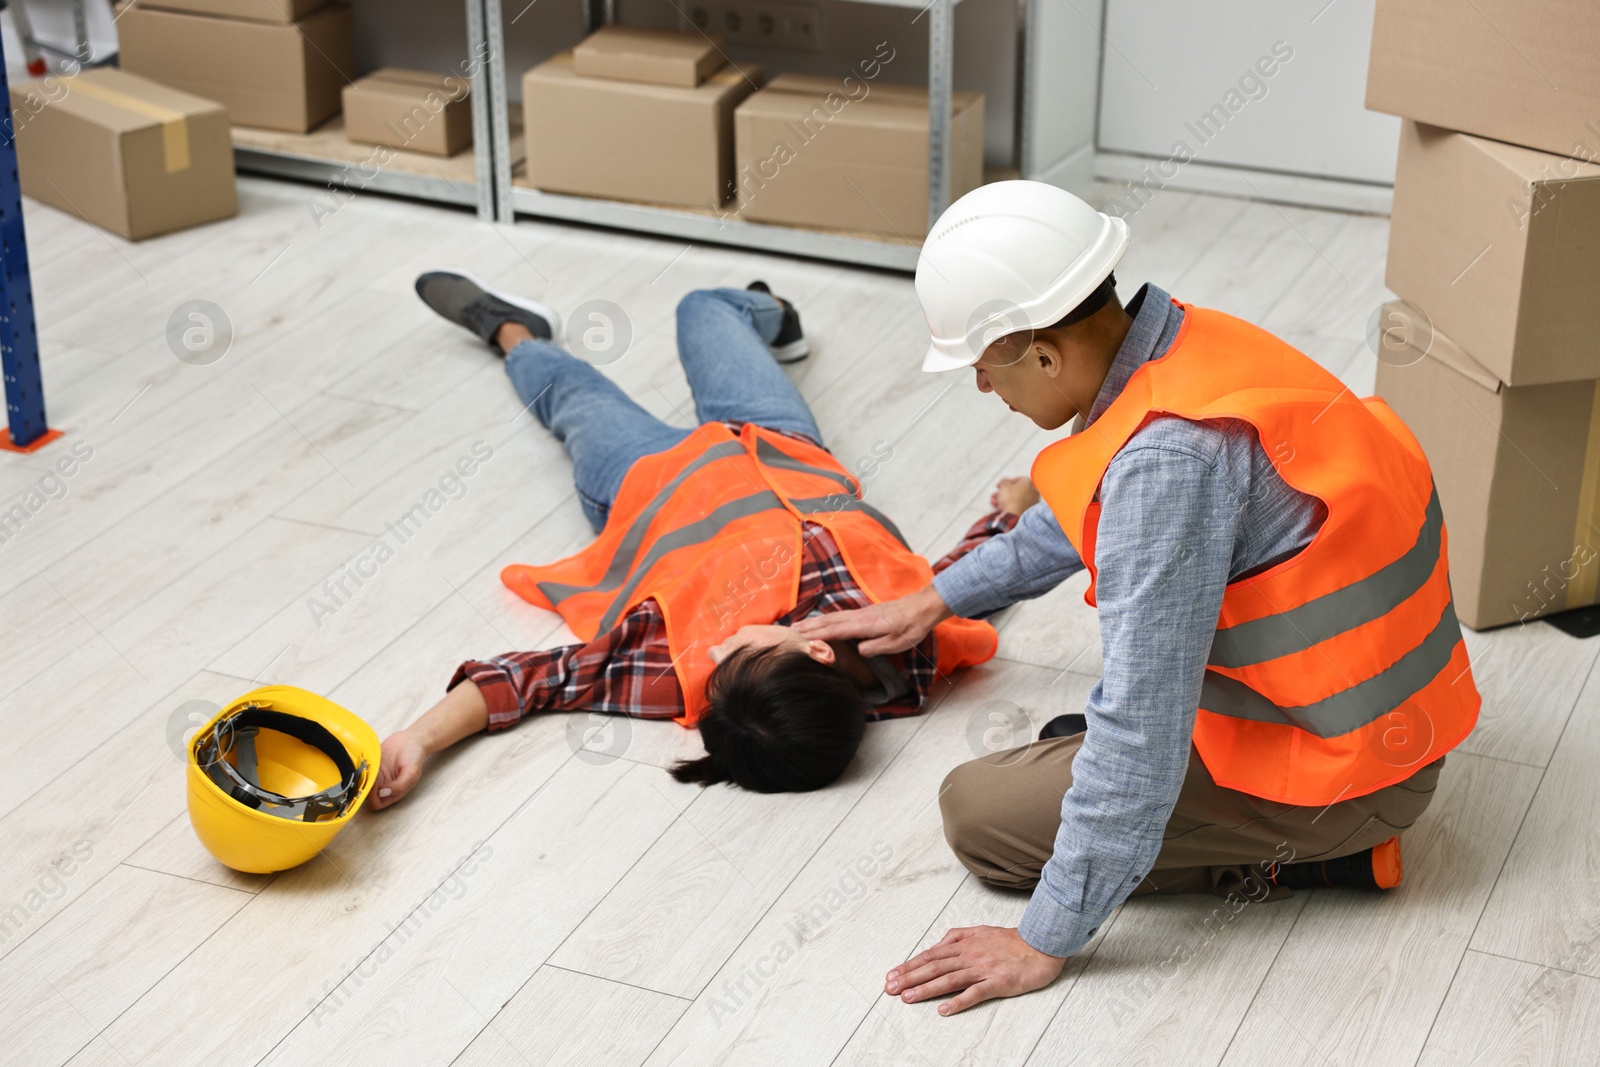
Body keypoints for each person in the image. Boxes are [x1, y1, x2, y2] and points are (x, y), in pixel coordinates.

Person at [795, 180, 1482, 1015]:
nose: (982, 387)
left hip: (1346, 777)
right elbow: (1091, 507)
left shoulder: (1169, 466)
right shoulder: (1180, 344)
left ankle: (1325, 855)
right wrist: (937, 599)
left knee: (978, 813)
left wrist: (1043, 938)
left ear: (1043, 355)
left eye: (984, 365)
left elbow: (1141, 729)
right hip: (1376, 722)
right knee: (1066, 757)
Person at [368, 273, 1012, 807]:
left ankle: (508, 326)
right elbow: (976, 571)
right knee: (702, 307)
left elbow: (531, 679)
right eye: (741, 649)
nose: (721, 644)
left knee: (566, 389)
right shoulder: (909, 634)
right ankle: (776, 316)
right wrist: (1014, 509)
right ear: (816, 652)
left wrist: (419, 740)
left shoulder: (681, 670)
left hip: (644, 479)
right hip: (775, 440)